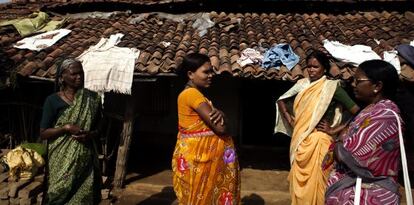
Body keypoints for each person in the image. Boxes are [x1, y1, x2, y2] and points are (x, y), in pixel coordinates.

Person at [275, 50, 360, 205]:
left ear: (325, 69)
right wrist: (290, 119)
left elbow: (357, 112)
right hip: (300, 141)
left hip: (320, 141)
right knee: (297, 184)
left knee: (319, 183)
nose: (311, 70)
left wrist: (335, 129)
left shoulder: (332, 87)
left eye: (316, 67)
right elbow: (281, 100)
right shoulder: (302, 84)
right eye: (309, 66)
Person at [325, 60, 403, 204]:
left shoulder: (385, 117)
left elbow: (349, 154)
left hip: (369, 196)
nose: (353, 84)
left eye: (358, 80)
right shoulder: (369, 111)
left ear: (377, 86)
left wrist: (339, 143)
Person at [172, 53, 240, 205]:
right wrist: (221, 114)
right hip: (200, 162)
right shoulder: (192, 95)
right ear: (190, 74)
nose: (211, 75)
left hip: (199, 160)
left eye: (211, 71)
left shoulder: (192, 94)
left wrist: (221, 113)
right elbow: (221, 128)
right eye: (206, 72)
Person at [40, 58, 102, 204]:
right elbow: (43, 132)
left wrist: (90, 135)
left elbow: (100, 128)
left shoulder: (92, 99)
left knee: (84, 196)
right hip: (60, 162)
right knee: (57, 193)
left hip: (85, 160)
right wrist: (65, 128)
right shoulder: (52, 101)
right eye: (74, 74)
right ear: (62, 77)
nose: (79, 77)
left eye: (81, 73)